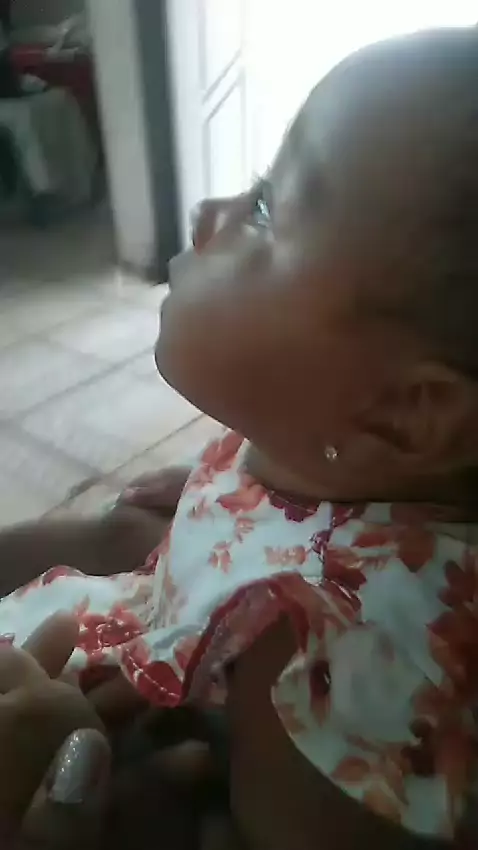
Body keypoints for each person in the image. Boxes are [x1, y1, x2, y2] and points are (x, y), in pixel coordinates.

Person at [1, 26, 478, 850]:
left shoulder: (342, 667)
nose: (207, 214)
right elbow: (146, 544)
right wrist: (215, 498)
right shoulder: (320, 451)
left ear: (406, 414)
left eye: (264, 210)